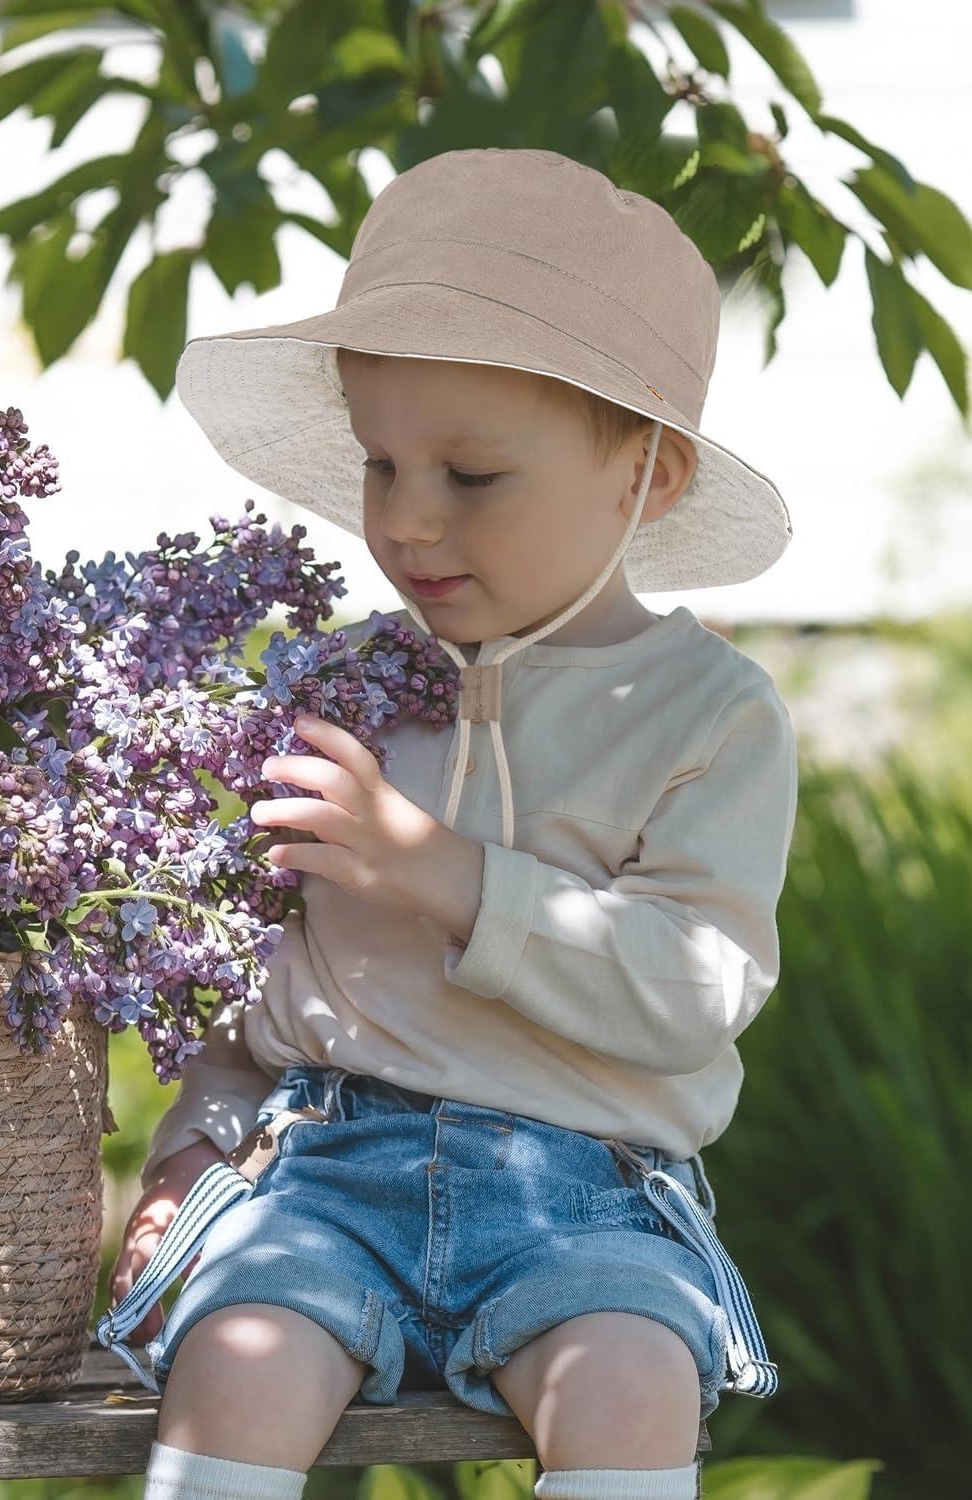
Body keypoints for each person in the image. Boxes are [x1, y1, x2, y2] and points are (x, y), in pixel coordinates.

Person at [98, 147, 798, 1500]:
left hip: (586, 1192)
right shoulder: (351, 687)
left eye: (471, 474)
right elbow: (258, 965)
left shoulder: (706, 713)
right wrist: (193, 1143)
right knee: (236, 1361)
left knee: (631, 1383)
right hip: (324, 1170)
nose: (408, 520)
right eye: (381, 463)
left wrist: (448, 874)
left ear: (647, 475)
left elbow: (695, 990)